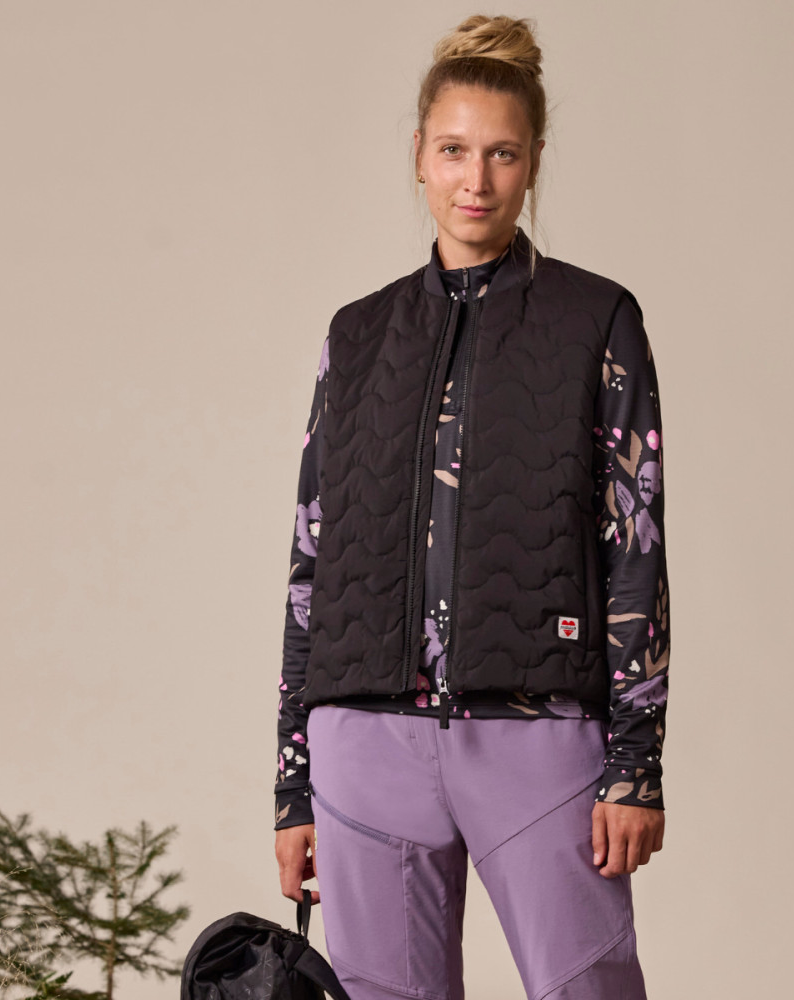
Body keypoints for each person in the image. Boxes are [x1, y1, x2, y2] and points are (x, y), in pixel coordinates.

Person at [274, 14, 670, 1000]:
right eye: (453, 151)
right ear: (419, 154)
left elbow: (634, 545)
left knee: (587, 987)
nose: (476, 180)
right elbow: (312, 560)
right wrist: (293, 783)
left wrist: (634, 763)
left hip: (536, 730)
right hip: (364, 738)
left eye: (502, 154)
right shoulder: (356, 335)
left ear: (533, 162)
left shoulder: (595, 320)